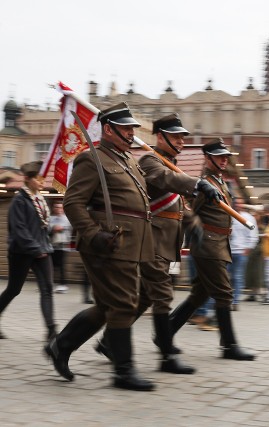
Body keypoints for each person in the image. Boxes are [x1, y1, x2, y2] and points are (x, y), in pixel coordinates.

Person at [94, 113, 222, 373]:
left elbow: (176, 204)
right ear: (159, 137)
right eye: (175, 136)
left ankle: (108, 341)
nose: (181, 141)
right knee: (162, 295)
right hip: (150, 239)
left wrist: (193, 224)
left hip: (166, 240)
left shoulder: (170, 162)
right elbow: (167, 180)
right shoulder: (151, 160)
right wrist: (197, 183)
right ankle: (166, 357)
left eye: (183, 137)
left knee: (143, 297)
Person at [45, 102, 156, 391]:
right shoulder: (91, 159)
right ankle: (123, 371)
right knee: (123, 304)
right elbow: (73, 202)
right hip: (106, 244)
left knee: (108, 306)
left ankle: (61, 345)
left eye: (133, 128)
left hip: (129, 244)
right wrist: (93, 234)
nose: (132, 133)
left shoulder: (128, 160)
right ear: (108, 129)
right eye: (126, 128)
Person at [166, 139, 255, 361]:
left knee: (199, 295)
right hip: (207, 245)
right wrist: (195, 230)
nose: (224, 159)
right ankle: (229, 346)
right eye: (219, 156)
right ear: (207, 158)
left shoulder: (220, 183)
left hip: (219, 243)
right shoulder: (203, 184)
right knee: (224, 293)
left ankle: (164, 333)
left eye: (226, 156)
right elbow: (188, 211)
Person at [0, 161, 56, 341]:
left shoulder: (41, 198)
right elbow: (19, 229)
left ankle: (51, 329)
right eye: (38, 178)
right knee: (14, 289)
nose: (41, 181)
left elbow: (42, 225)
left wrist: (46, 240)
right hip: (21, 252)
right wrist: (35, 248)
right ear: (27, 179)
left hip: (42, 250)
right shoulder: (19, 200)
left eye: (43, 178)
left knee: (47, 288)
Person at [229, 197, 259, 310]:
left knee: (237, 277)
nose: (238, 205)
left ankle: (235, 302)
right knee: (226, 278)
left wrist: (248, 248)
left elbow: (253, 234)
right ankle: (226, 300)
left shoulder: (248, 218)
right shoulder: (228, 215)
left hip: (241, 253)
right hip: (228, 252)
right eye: (236, 203)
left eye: (240, 203)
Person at [49, 202, 72, 294]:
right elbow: (47, 228)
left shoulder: (66, 219)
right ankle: (50, 284)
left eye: (60, 207)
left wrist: (58, 228)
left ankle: (63, 285)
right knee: (51, 266)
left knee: (61, 266)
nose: (58, 209)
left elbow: (65, 228)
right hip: (52, 245)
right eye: (56, 207)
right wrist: (53, 228)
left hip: (62, 246)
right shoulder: (51, 218)